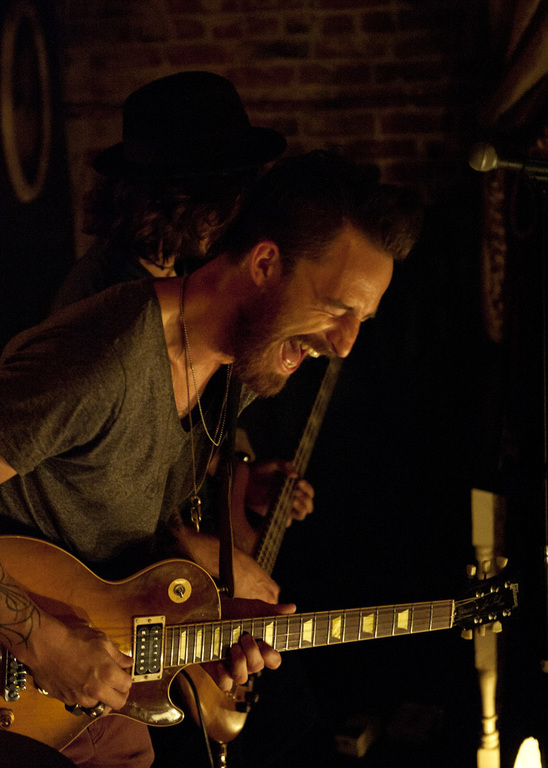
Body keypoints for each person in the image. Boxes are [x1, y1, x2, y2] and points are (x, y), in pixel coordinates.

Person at [0, 149, 423, 767]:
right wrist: (42, 641)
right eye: (338, 309)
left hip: (81, 700)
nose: (345, 345)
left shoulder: (231, 376)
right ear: (264, 263)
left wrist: (201, 620)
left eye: (362, 320)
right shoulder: (105, 358)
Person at [51, 72, 315, 605]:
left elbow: (168, 442)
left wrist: (239, 476)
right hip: (94, 588)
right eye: (235, 190)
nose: (243, 212)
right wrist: (202, 550)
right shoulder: (113, 305)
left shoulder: (176, 272)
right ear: (192, 199)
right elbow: (101, 489)